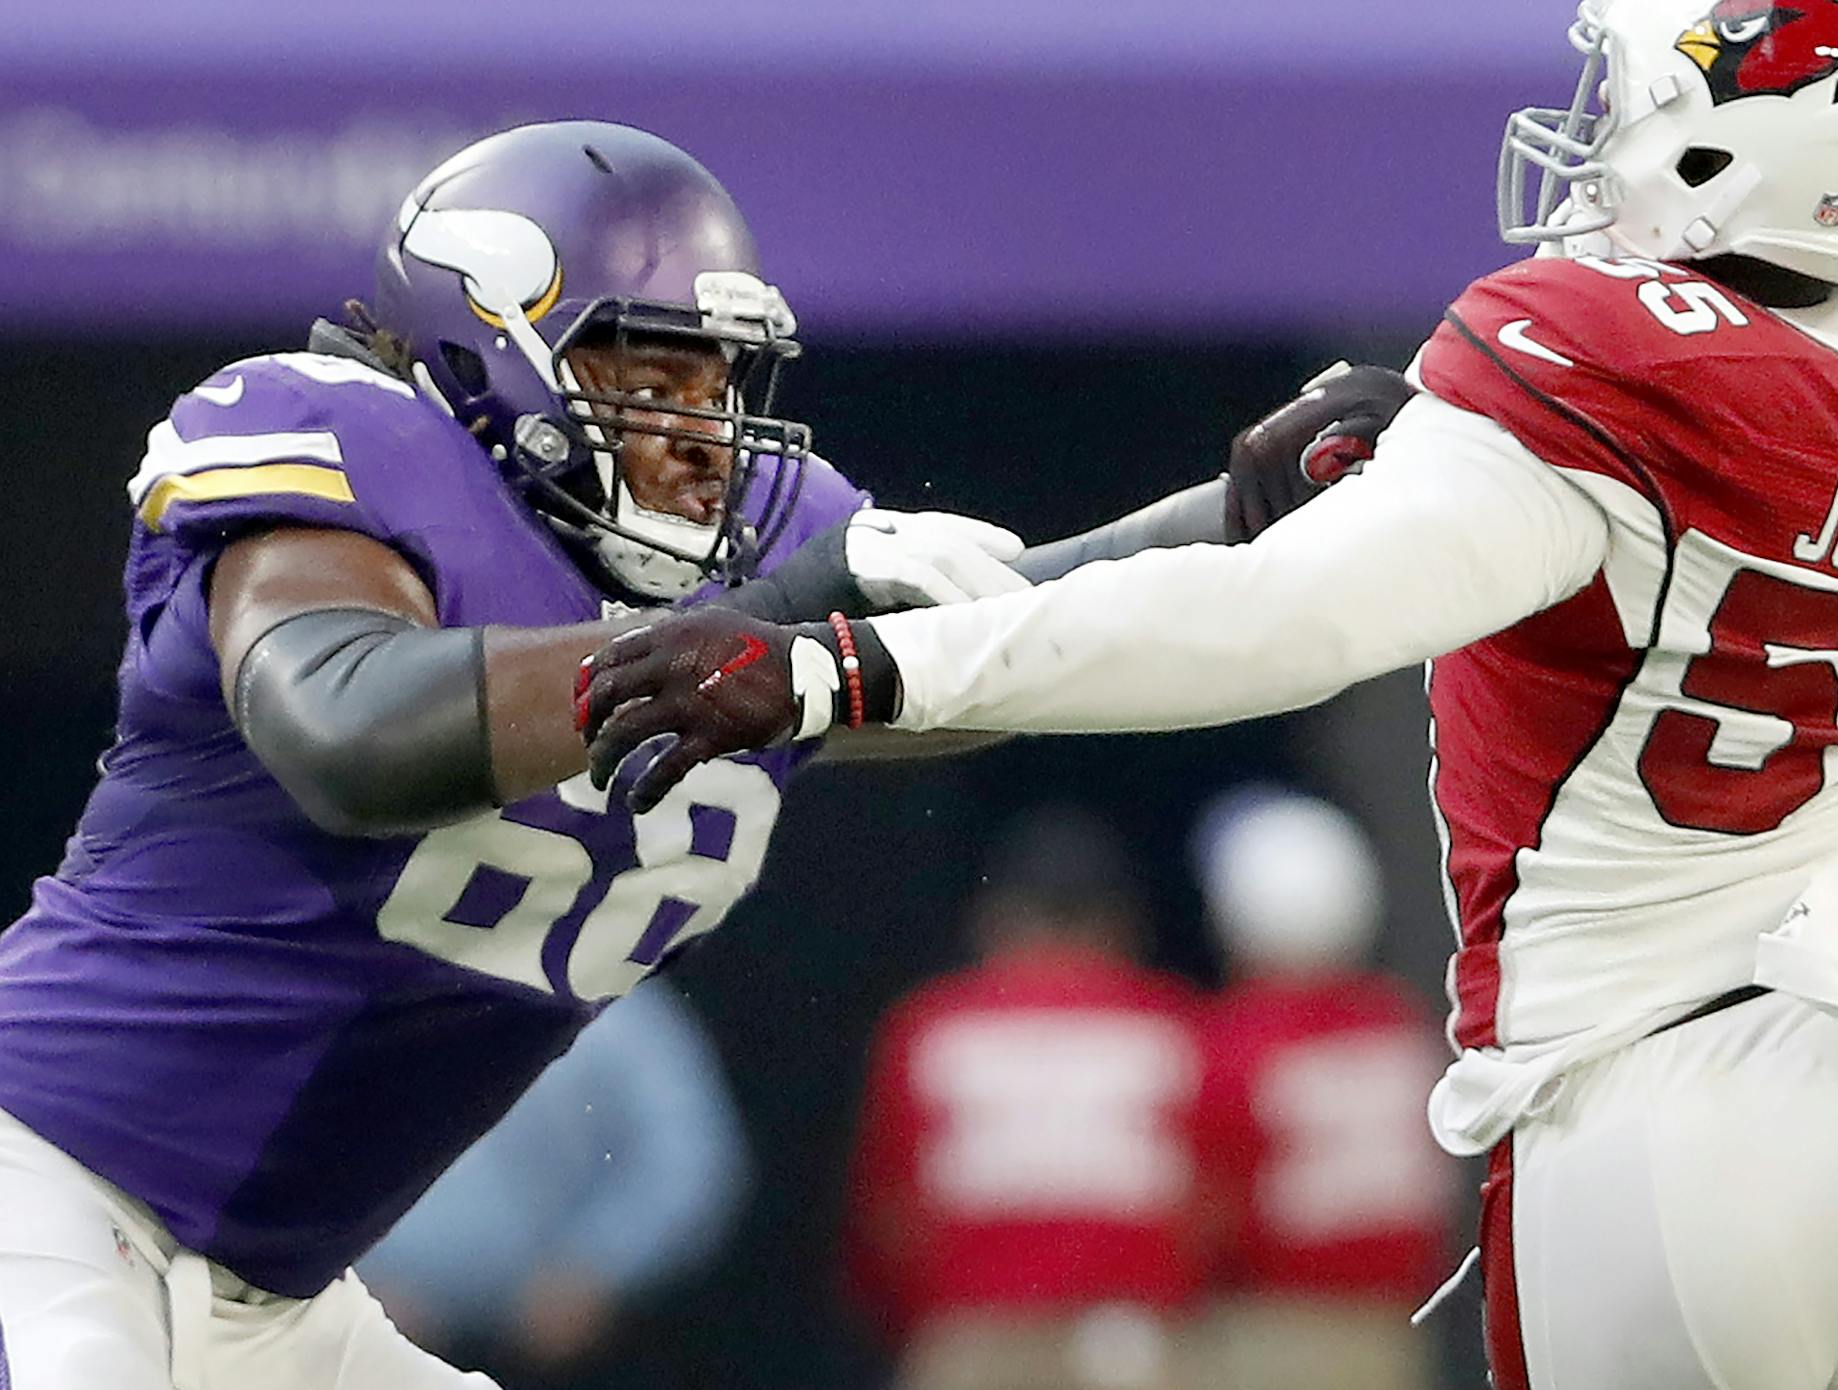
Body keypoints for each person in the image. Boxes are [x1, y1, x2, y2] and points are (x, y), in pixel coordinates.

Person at [578, 3, 1838, 1384]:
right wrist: (1448, 445)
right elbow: (1713, 503)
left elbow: (1275, 620)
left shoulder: (1589, 347)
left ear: (1752, 145)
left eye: (1643, 103)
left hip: (1670, 1107)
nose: (1604, 139)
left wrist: (847, 666)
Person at [0, 119, 1345, 1390]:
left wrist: (1235, 517)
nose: (702, 437)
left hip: (275, 1302)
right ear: (490, 358)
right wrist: (746, 632)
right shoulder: (348, 459)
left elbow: (986, 657)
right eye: (649, 380)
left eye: (718, 381)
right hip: (50, 1185)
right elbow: (349, 726)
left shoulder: (757, 552)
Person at [842, 809, 1205, 1390]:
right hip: (1130, 1346)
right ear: (1119, 926)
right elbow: (1214, 1207)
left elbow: (887, 1216)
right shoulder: (1170, 1025)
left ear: (996, 919)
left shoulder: (931, 1026)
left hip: (974, 1339)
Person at [1189, 791, 1454, 1390]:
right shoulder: (1400, 1026)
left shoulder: (1238, 1040)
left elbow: (1210, 1213)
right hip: (1394, 1330)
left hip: (1271, 1332)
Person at [359, 981, 750, 1378]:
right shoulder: (373, 987)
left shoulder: (620, 1008)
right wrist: (347, 1286)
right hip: (368, 1340)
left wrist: (596, 1265)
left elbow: (689, 1165)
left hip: (558, 1347)